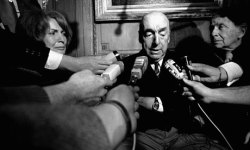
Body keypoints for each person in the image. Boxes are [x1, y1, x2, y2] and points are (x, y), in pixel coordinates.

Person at [116, 11, 227, 150]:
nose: (156, 42)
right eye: (149, 34)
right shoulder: (125, 66)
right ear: (140, 37)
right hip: (143, 136)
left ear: (169, 37)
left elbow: (192, 104)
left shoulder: (183, 63)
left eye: (162, 34)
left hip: (182, 134)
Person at [0, 69, 140, 150]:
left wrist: (72, 90)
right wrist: (118, 110)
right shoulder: (19, 74)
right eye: (52, 32)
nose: (61, 38)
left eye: (64, 33)